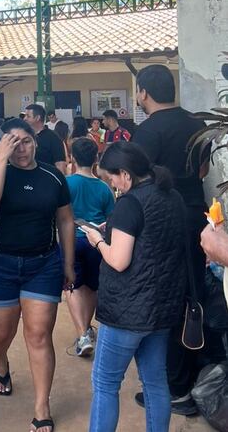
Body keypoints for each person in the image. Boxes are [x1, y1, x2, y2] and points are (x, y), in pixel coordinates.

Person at [0, 118, 75, 432]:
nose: (21, 148)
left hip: (43, 265)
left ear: (36, 141)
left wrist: (68, 263)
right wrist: (0, 159)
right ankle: (0, 360)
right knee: (0, 334)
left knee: (39, 335)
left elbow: (66, 221)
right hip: (1, 264)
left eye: (26, 141)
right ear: (3, 144)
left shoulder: (52, 176)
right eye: (13, 142)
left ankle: (41, 405)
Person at [82, 142, 187, 432]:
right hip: (162, 307)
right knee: (155, 381)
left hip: (127, 311)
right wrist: (114, 227)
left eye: (112, 177)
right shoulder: (172, 196)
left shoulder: (130, 203)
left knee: (105, 383)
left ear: (126, 175)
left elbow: (118, 260)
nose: (112, 183)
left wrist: (98, 240)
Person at [131, 64, 216, 415]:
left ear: (143, 93)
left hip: (161, 222)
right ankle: (200, 379)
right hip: (196, 217)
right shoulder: (197, 125)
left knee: (166, 301)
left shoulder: (147, 131)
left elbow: (136, 180)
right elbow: (203, 172)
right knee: (194, 296)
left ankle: (175, 388)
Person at [64, 138, 115, 357]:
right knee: (92, 287)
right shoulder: (104, 188)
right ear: (96, 159)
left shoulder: (66, 184)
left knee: (72, 286)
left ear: (72, 158)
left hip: (70, 241)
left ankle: (83, 333)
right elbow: (111, 219)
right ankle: (85, 331)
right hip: (95, 242)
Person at [24, 104, 67, 174]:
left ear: (37, 118)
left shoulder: (53, 138)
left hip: (45, 180)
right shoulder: (24, 136)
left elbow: (60, 164)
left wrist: (61, 183)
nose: (24, 118)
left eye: (28, 116)